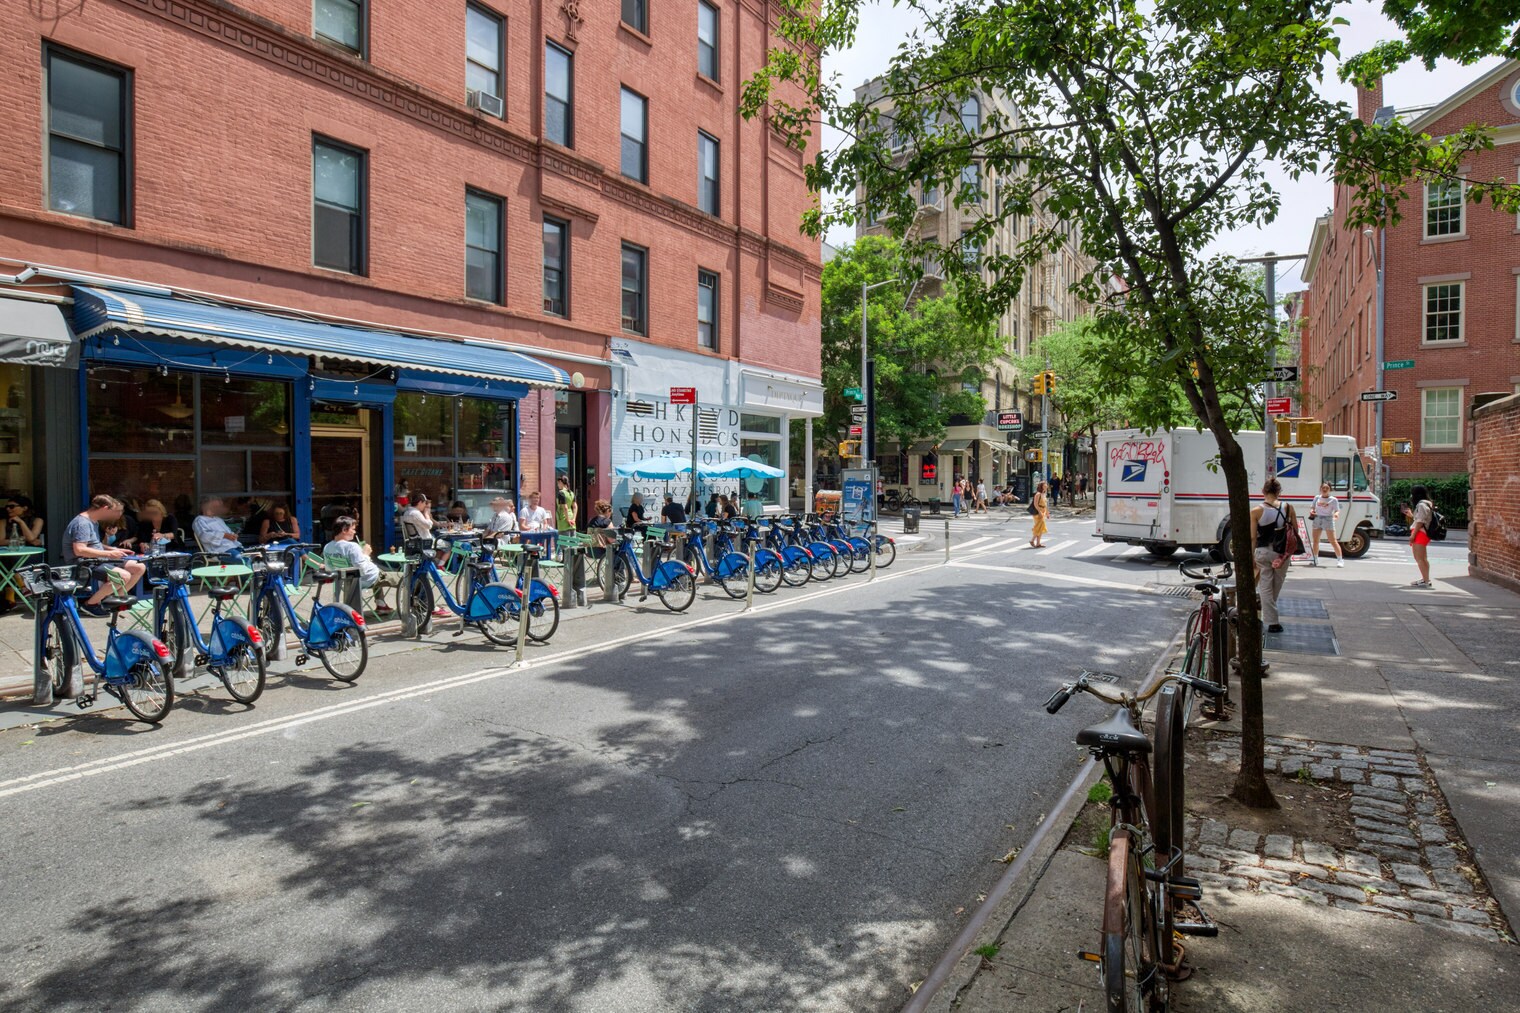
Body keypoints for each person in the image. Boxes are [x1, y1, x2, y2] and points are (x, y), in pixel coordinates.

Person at [64, 495, 146, 615]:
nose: (113, 515)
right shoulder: (82, 524)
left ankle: (113, 601)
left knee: (139, 567)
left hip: (99, 559)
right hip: (85, 563)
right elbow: (79, 550)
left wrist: (112, 549)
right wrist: (109, 553)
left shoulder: (93, 521)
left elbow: (94, 545)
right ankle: (90, 605)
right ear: (105, 508)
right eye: (112, 511)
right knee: (122, 577)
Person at [323, 515, 391, 615]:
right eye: (353, 529)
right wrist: (366, 554)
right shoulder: (352, 546)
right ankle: (411, 608)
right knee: (402, 577)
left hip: (346, 580)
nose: (355, 532)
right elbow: (361, 570)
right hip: (366, 579)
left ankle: (381, 605)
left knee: (379, 572)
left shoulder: (327, 547)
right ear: (344, 530)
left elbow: (329, 569)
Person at [1250, 478, 1292, 632]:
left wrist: (1251, 556)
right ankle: (1272, 621)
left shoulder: (1255, 511)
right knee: (1277, 584)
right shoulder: (1288, 508)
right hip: (1282, 554)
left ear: (1263, 491)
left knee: (1265, 587)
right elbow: (1294, 531)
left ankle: (1270, 617)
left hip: (1263, 552)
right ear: (1279, 492)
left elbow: (1253, 537)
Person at [1403, 485, 1435, 588]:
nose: (1411, 496)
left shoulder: (1421, 505)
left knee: (1419, 558)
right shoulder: (1427, 504)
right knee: (1423, 558)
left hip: (1420, 533)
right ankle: (1425, 579)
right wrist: (1411, 515)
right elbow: (1419, 519)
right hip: (1423, 533)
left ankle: (1426, 581)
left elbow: (1420, 522)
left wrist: (1413, 535)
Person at [1308, 482, 1344, 568]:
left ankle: (1340, 560)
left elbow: (1337, 510)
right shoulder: (1317, 497)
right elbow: (1312, 507)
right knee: (1315, 541)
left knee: (1333, 541)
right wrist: (1312, 511)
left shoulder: (1333, 499)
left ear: (1330, 489)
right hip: (1317, 519)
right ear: (1320, 489)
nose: (1324, 490)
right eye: (1323, 488)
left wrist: (1336, 514)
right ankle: (1315, 559)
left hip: (1328, 519)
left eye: (1327, 488)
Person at [1029, 481, 1049, 548]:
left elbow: (1045, 505)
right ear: (1041, 486)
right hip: (1038, 512)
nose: (1046, 486)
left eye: (1046, 485)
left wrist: (1047, 512)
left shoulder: (1044, 494)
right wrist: (1039, 512)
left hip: (1043, 511)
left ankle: (1038, 543)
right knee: (1038, 526)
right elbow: (1035, 504)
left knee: (1041, 527)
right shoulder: (1038, 494)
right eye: (1045, 485)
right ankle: (1032, 540)